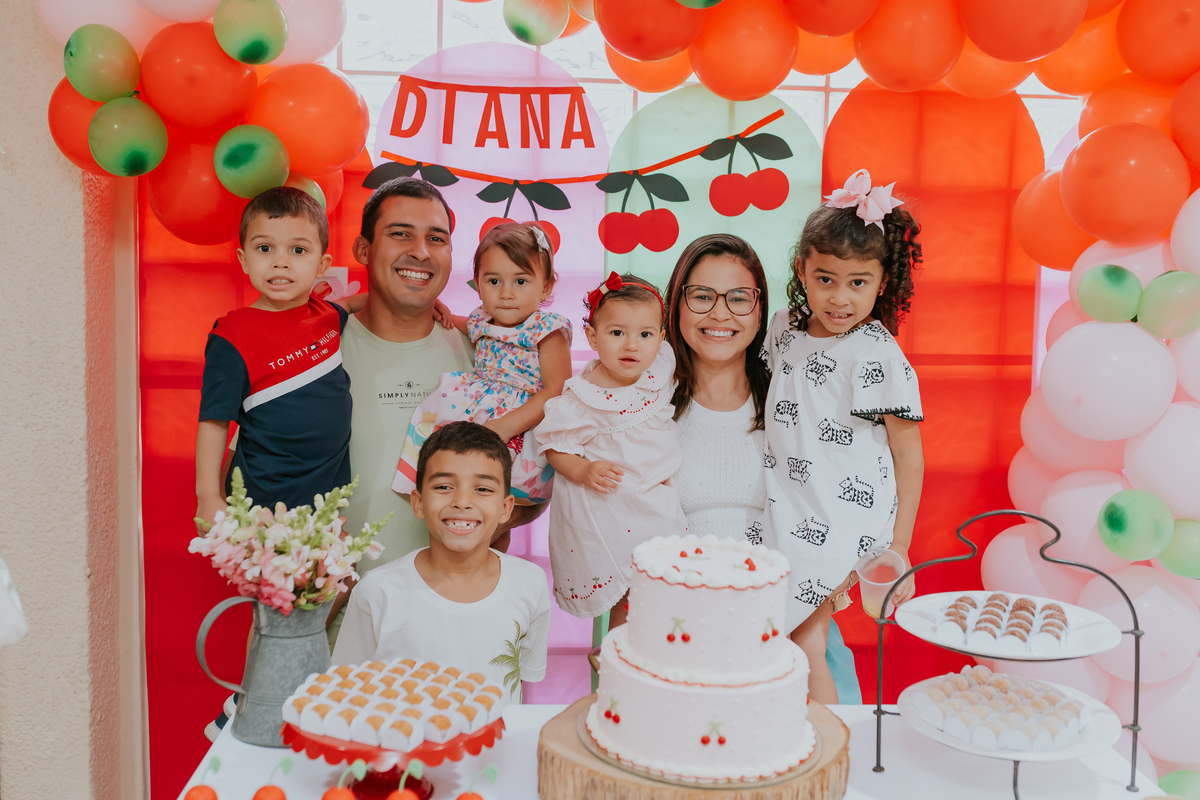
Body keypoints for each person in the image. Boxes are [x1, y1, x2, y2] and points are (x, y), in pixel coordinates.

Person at [329, 177, 544, 645]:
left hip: (464, 631)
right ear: (363, 249)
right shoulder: (319, 352)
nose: (421, 252)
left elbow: (525, 488)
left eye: (436, 238)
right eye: (400, 234)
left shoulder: (486, 354)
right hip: (341, 627)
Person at [663, 233, 862, 703]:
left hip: (790, 630)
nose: (719, 314)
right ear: (677, 304)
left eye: (738, 298)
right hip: (681, 635)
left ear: (759, 310)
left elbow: (839, 498)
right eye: (702, 296)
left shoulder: (796, 398)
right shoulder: (645, 404)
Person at [762, 169, 925, 704]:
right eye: (825, 278)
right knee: (793, 632)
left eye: (858, 282)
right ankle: (816, 734)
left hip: (841, 518)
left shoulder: (876, 353)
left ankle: (836, 751)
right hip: (784, 506)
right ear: (802, 270)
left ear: (882, 283)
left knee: (804, 634)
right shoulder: (784, 328)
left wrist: (899, 542)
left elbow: (907, 453)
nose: (839, 298)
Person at [333, 421, 552, 702]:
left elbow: (521, 682)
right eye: (444, 486)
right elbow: (347, 692)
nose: (462, 501)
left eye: (483, 489)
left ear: (505, 508)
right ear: (419, 502)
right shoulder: (377, 591)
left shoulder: (530, 584)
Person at [195, 187, 357, 531]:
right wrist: (208, 496)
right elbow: (214, 420)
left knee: (334, 584)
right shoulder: (231, 334)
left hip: (327, 497)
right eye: (264, 248)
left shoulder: (326, 316)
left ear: (322, 265)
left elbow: (357, 303)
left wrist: (427, 309)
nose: (280, 261)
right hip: (262, 500)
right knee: (265, 586)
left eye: (298, 250)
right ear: (243, 259)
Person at [534, 273, 688, 629]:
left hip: (655, 497)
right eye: (617, 333)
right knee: (628, 583)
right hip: (615, 503)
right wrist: (583, 471)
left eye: (645, 335)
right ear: (593, 337)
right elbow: (554, 446)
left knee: (658, 582)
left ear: (661, 339)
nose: (631, 346)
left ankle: (643, 653)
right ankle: (616, 652)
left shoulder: (659, 368)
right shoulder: (583, 398)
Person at [393, 222, 572, 505]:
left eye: (521, 281)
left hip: (521, 416)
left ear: (546, 286)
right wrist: (437, 309)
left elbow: (556, 390)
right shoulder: (482, 320)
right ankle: (426, 481)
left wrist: (506, 426)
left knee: (497, 503)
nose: (506, 293)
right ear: (478, 285)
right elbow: (462, 324)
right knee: (449, 455)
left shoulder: (546, 330)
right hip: (477, 406)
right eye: (493, 281)